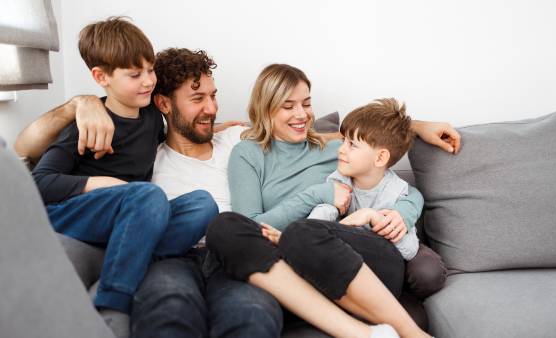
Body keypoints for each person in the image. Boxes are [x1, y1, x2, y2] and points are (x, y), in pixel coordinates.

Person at [15, 57, 461, 338]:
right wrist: (79, 103)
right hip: (177, 255)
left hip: (242, 260)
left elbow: (352, 140)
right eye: (197, 99)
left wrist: (415, 126)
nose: (210, 108)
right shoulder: (141, 149)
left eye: (212, 96)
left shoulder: (239, 141)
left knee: (251, 316)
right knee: (168, 308)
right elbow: (23, 150)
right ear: (165, 106)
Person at [206, 64, 457, 337]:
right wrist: (319, 194)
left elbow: (392, 165)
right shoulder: (247, 153)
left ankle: (412, 333)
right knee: (223, 226)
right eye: (288, 106)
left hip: (355, 258)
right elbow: (252, 226)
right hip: (290, 267)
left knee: (304, 232)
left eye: (306, 103)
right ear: (266, 109)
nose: (302, 114)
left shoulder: (336, 147)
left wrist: (401, 213)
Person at [28, 17, 218, 335]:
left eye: (150, 70)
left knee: (203, 204)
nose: (147, 81)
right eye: (134, 74)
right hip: (74, 212)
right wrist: (98, 183)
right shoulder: (86, 124)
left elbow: (180, 123)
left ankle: (130, 258)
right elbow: (38, 183)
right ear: (101, 77)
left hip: (128, 215)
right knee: (148, 194)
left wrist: (218, 129)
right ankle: (111, 303)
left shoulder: (151, 118)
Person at [275, 97, 446, 299]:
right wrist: (342, 223)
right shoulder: (339, 180)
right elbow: (321, 215)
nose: (341, 149)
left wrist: (375, 219)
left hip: (386, 259)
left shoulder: (396, 193)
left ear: (380, 158)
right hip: (351, 254)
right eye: (343, 141)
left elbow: (408, 250)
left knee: (427, 271)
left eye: (352, 145)